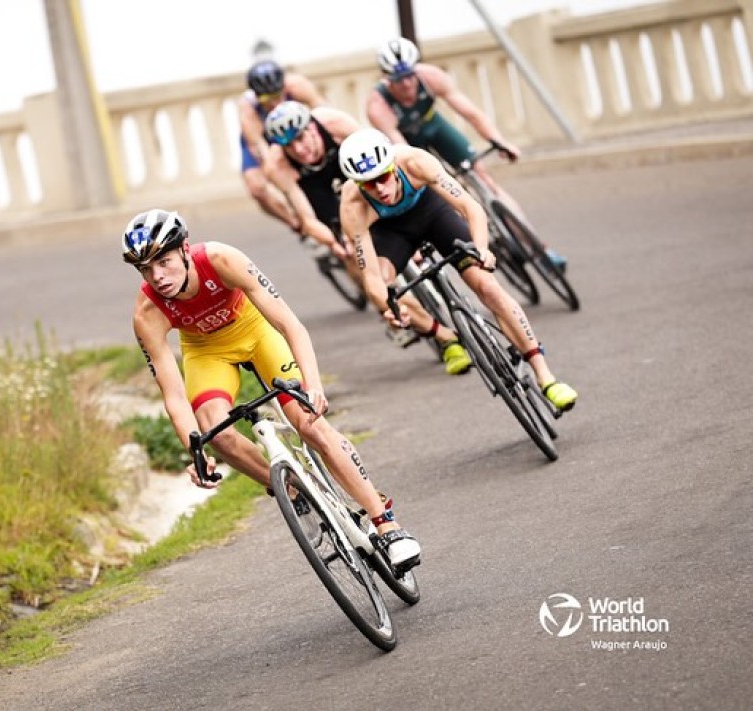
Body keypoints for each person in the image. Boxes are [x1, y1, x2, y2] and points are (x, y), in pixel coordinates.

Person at [123, 208, 421, 568]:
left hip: (256, 329)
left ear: (185, 249)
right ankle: (290, 490)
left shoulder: (221, 259)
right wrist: (196, 452)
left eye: (165, 262)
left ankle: (387, 524)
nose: (158, 277)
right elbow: (172, 394)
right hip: (206, 351)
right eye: (146, 270)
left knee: (309, 423)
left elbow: (289, 324)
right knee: (214, 431)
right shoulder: (147, 313)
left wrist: (312, 385)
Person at [337, 127, 579, 411]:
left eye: (382, 177)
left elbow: (469, 207)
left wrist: (482, 249)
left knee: (487, 287)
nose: (379, 189)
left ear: (392, 166)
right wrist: (389, 306)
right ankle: (443, 335)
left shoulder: (415, 162)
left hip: (432, 213)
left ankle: (546, 377)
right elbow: (371, 278)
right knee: (387, 289)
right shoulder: (352, 205)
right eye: (368, 184)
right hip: (392, 233)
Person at [261, 99, 473, 376]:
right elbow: (307, 219)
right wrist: (335, 243)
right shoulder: (277, 166)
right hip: (327, 203)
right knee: (360, 266)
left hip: (364, 179)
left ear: (313, 126)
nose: (300, 149)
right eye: (290, 146)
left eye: (301, 137)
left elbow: (382, 153)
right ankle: (442, 336)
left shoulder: (334, 122)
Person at [365, 37, 567, 269]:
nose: (407, 84)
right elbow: (404, 153)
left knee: (485, 180)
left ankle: (541, 249)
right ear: (386, 78)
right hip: (409, 143)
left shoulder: (431, 77)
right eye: (399, 80)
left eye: (410, 75)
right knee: (441, 191)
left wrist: (499, 141)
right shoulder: (378, 106)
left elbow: (471, 113)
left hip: (434, 126)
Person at [238, 59, 327, 233]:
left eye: (277, 96)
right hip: (264, 136)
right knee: (257, 188)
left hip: (292, 126)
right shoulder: (248, 109)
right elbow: (261, 151)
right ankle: (297, 224)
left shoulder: (297, 85)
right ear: (256, 95)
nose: (274, 104)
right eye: (266, 99)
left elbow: (325, 112)